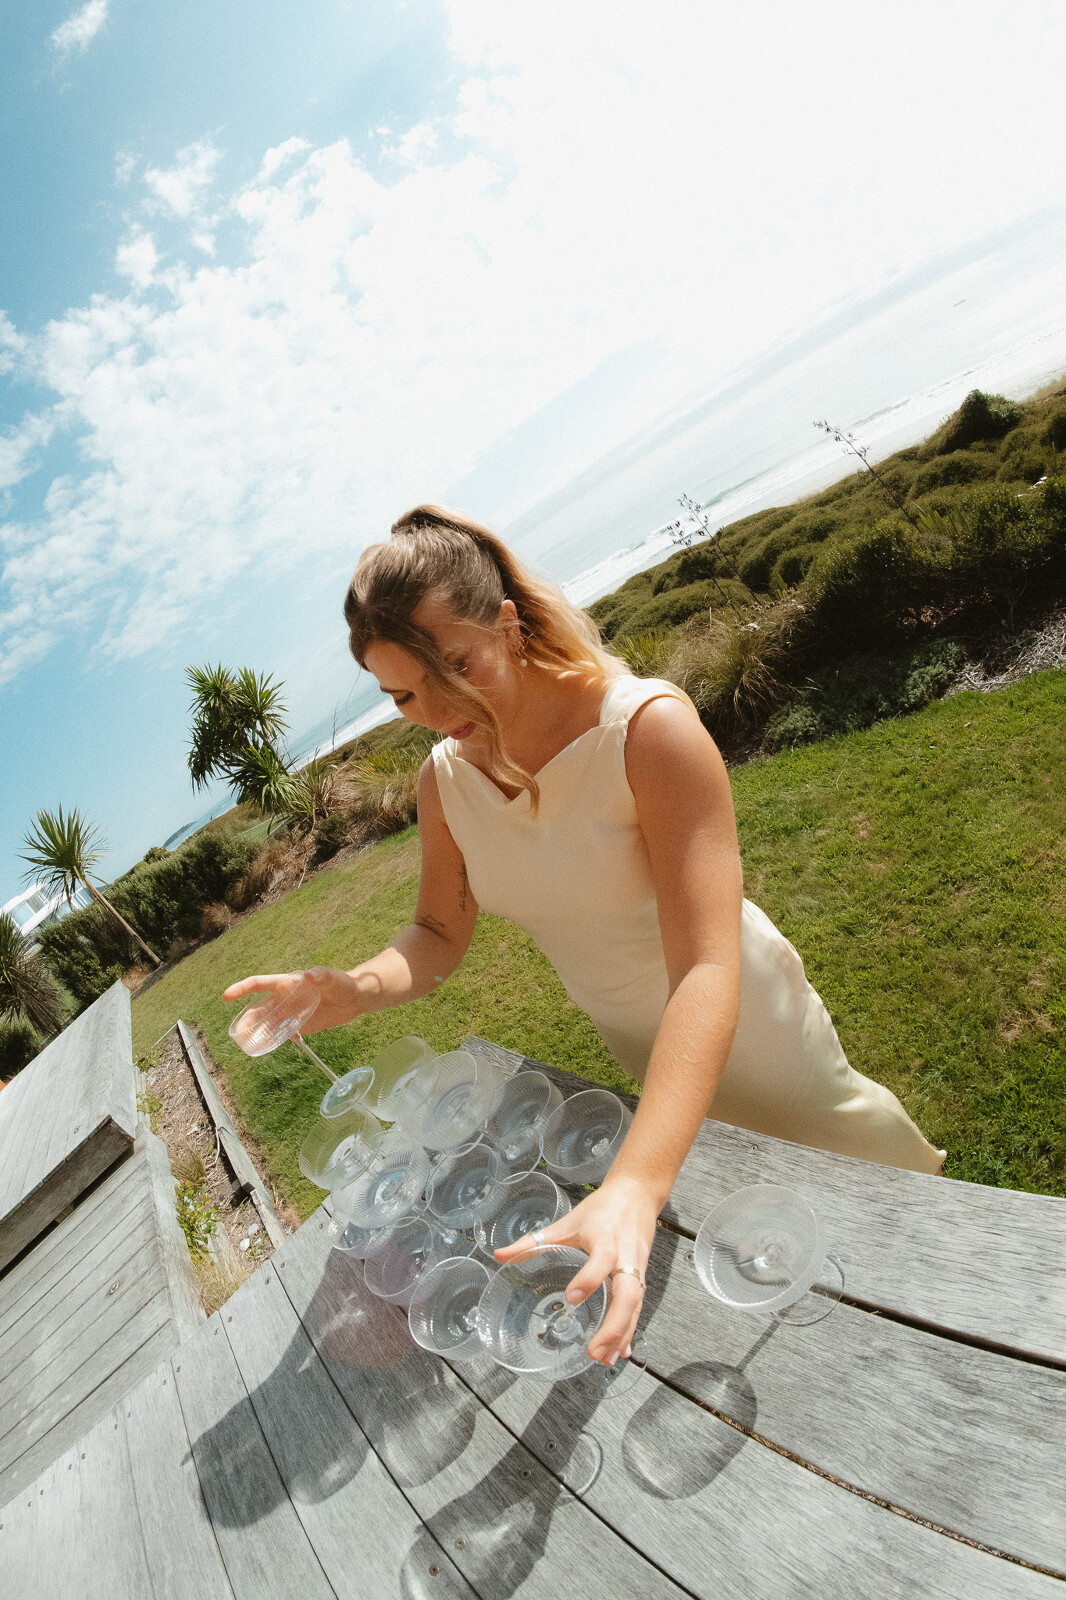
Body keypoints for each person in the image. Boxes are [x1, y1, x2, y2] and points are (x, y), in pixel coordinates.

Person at [224, 505, 944, 1368]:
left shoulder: (646, 731)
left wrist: (635, 1180)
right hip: (646, 1046)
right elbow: (438, 931)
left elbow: (706, 967)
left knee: (896, 1221)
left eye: (458, 666)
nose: (439, 709)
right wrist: (353, 987)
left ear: (507, 622)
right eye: (406, 695)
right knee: (771, 1240)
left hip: (746, 1026)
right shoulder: (445, 780)